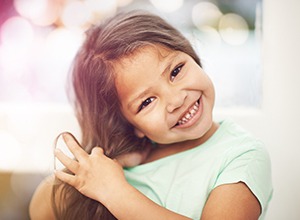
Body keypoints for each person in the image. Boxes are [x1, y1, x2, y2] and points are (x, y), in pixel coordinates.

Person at [29, 10, 273, 220]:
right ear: (131, 124)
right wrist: (115, 162)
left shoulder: (241, 156)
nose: (176, 100)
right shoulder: (123, 165)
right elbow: (40, 210)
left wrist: (116, 193)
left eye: (176, 70)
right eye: (146, 102)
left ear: (191, 55)